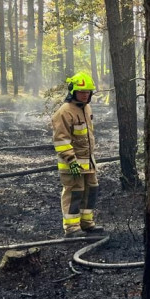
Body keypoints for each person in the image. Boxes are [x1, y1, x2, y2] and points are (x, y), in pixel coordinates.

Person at [51, 72, 104, 235]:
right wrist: (71, 160)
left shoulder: (87, 108)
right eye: (82, 92)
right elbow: (61, 140)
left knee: (91, 189)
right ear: (73, 91)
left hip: (88, 162)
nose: (85, 95)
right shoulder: (64, 112)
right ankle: (72, 227)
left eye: (87, 92)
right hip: (72, 164)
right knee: (75, 192)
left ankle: (86, 222)